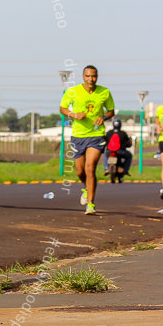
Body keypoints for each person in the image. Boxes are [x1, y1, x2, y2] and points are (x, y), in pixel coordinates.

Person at [59, 65, 115, 215]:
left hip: (96, 136)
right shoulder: (73, 91)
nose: (91, 79)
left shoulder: (104, 92)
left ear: (97, 76)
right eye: (88, 76)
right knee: (80, 171)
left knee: (90, 168)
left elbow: (111, 111)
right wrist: (74, 115)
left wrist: (103, 117)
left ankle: (91, 204)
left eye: (94, 76)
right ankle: (86, 188)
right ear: (83, 76)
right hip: (78, 136)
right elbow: (62, 108)